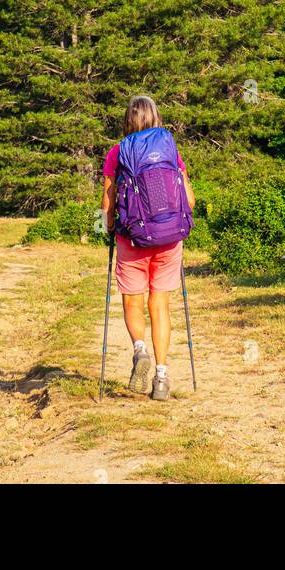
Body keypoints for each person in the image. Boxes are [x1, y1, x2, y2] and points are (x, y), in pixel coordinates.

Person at [101, 95, 195, 401]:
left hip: (132, 238)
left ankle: (139, 350)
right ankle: (162, 378)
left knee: (132, 303)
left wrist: (109, 227)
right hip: (169, 239)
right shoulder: (170, 148)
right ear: (156, 117)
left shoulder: (117, 152)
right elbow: (189, 200)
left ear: (128, 119)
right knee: (160, 307)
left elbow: (107, 203)